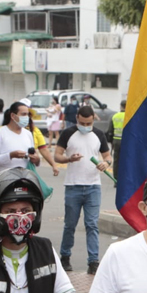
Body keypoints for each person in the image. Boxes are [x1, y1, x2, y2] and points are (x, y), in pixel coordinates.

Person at [54, 105, 112, 274]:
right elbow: (57, 155)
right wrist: (68, 159)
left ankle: (93, 261)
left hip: (94, 186)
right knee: (70, 224)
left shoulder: (99, 135)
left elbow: (108, 156)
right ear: (77, 118)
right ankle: (65, 257)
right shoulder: (68, 133)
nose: (85, 126)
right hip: (73, 186)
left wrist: (106, 163)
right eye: (82, 122)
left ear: (94, 119)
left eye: (88, 123)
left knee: (92, 224)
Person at [0, 102, 40, 174]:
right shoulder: (0, 133)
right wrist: (10, 155)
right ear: (13, 116)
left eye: (28, 115)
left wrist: (36, 159)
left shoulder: (28, 134)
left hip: (26, 180)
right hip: (6, 180)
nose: (27, 117)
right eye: (23, 114)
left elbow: (35, 160)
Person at [107, 100, 126, 185]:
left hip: (116, 141)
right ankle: (125, 179)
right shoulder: (129, 116)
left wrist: (111, 142)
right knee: (126, 160)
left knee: (116, 161)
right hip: (126, 142)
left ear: (120, 106)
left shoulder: (114, 116)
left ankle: (116, 180)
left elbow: (110, 131)